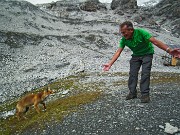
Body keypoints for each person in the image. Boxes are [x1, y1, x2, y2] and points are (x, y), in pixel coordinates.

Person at [103, 21, 180, 103]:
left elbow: (155, 41)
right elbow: (118, 52)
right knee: (132, 74)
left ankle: (145, 94)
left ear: (131, 30)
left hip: (147, 54)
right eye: (122, 33)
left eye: (124, 32)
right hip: (136, 56)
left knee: (145, 73)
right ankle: (132, 93)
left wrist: (169, 50)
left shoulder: (141, 32)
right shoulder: (124, 40)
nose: (123, 34)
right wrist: (110, 63)